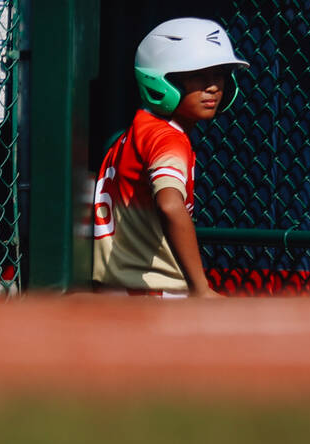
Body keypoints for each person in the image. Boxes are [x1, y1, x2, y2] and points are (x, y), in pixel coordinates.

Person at [91, 17, 249, 298]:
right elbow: (169, 205)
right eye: (197, 75)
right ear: (162, 81)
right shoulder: (167, 139)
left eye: (219, 74)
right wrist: (201, 289)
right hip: (154, 293)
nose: (213, 86)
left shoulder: (140, 130)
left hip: (122, 289)